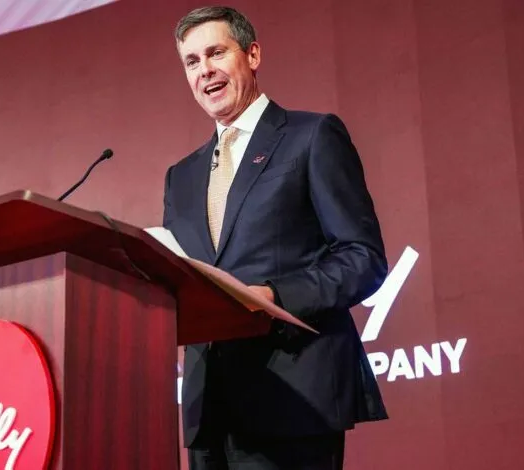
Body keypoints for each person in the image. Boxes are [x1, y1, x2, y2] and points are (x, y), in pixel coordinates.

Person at [162, 6, 389, 470]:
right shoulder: (180, 176)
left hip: (293, 397)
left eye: (216, 52)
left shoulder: (311, 136)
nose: (204, 70)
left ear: (253, 54)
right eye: (191, 61)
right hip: (210, 409)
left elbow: (362, 257)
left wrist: (273, 296)